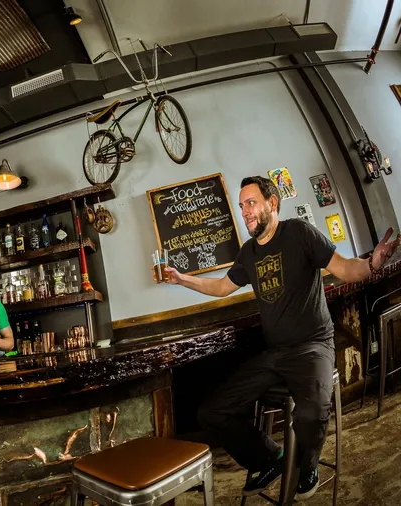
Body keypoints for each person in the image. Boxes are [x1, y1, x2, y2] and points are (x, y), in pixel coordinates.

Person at [161, 176, 400, 501]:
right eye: (242, 203)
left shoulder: (299, 233)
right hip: (276, 354)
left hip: (314, 345)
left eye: (251, 202)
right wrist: (180, 279)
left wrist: (372, 262)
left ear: (272, 203)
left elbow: (344, 268)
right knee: (212, 412)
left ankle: (307, 465)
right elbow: (220, 287)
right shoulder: (248, 253)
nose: (244, 210)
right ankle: (268, 457)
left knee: (312, 412)